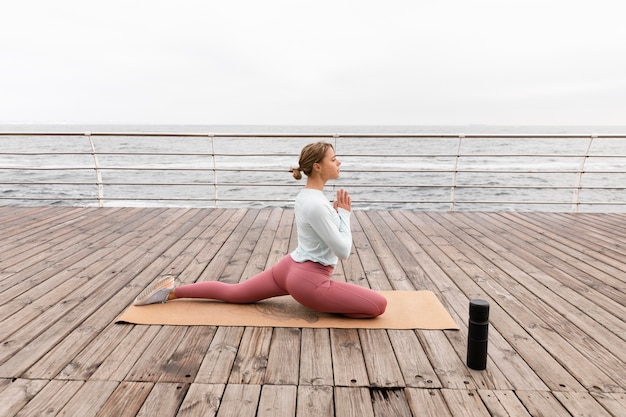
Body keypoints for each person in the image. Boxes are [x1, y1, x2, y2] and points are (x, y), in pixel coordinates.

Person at [133, 141, 387, 318]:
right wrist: (344, 214)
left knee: (235, 292)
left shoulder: (306, 196)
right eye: (333, 159)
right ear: (318, 167)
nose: (339, 161)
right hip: (309, 280)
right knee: (378, 306)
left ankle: (170, 292)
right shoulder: (317, 205)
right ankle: (323, 302)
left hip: (290, 266)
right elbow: (343, 251)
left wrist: (338, 214)